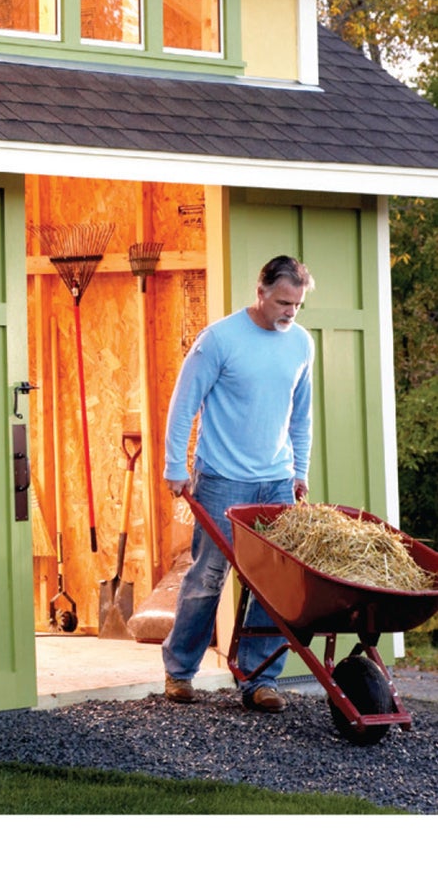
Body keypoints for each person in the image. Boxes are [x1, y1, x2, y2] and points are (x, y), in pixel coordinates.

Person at [161, 255, 314, 713]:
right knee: (208, 575)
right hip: (223, 479)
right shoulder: (220, 340)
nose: (290, 312)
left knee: (276, 583)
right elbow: (183, 404)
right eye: (284, 302)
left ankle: (258, 678)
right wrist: (175, 466)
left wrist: (299, 470)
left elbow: (300, 416)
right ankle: (179, 671)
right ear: (261, 291)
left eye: (298, 305)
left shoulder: (301, 344)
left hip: (277, 480)